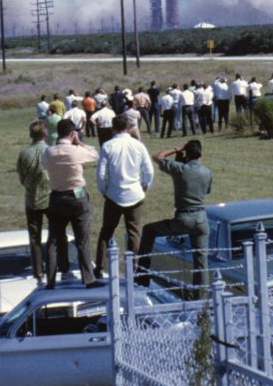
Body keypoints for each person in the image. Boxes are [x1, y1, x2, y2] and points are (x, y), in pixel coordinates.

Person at [137, 139, 213, 295]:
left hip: (183, 218)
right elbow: (207, 191)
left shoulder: (180, 169)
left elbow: (157, 156)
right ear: (201, 154)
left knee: (149, 230)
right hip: (202, 219)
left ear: (186, 153)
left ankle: (142, 275)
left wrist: (175, 149)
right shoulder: (207, 171)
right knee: (201, 262)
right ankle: (201, 298)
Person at [94, 115, 154, 280]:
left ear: (113, 128)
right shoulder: (138, 145)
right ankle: (134, 267)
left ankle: (100, 267)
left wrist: (104, 190)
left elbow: (101, 174)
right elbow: (149, 170)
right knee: (134, 232)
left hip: (114, 194)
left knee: (106, 231)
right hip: (135, 193)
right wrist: (145, 185)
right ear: (128, 127)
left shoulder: (107, 146)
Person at [42, 118, 99, 288]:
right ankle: (88, 278)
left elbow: (45, 166)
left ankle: (50, 280)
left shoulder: (49, 152)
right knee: (82, 240)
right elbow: (95, 154)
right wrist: (80, 142)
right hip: (77, 196)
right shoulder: (76, 151)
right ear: (73, 134)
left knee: (54, 240)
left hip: (56, 197)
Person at [16, 120, 51, 280]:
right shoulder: (51, 151)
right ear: (45, 134)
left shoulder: (24, 154)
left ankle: (38, 271)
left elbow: (21, 178)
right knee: (55, 234)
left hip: (32, 199)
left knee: (34, 237)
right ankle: (53, 266)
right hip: (51, 198)